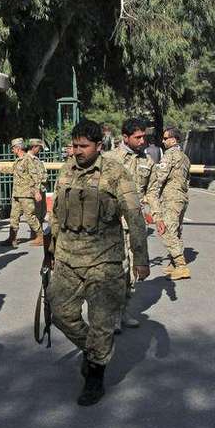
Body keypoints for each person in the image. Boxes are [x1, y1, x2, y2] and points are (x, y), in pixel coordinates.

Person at [46, 119, 149, 406]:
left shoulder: (116, 172)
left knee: (102, 323)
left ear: (98, 146)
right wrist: (51, 251)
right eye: (74, 145)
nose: (77, 151)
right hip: (67, 258)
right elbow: (56, 215)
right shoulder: (67, 169)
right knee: (59, 312)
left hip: (104, 260)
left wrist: (141, 258)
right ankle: (94, 352)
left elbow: (134, 215)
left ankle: (94, 377)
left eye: (83, 146)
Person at [105, 120, 161, 330]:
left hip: (135, 225)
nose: (142, 140)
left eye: (143, 137)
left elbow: (152, 192)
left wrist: (158, 215)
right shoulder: (109, 159)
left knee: (131, 271)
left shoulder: (147, 161)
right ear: (125, 137)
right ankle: (111, 314)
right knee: (117, 269)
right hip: (112, 224)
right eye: (137, 137)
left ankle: (122, 311)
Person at [153, 126, 191, 280]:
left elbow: (160, 177)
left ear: (173, 140)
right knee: (176, 231)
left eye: (165, 138)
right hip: (182, 197)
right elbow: (188, 180)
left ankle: (181, 266)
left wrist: (150, 194)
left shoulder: (169, 155)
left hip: (171, 198)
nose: (162, 141)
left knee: (167, 231)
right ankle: (173, 263)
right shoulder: (184, 157)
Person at [3, 138, 45, 247]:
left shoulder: (28, 159)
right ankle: (12, 238)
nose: (12, 150)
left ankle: (41, 237)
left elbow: (35, 176)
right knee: (14, 216)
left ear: (17, 148)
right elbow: (11, 170)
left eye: (12, 148)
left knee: (30, 216)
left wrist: (37, 192)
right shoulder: (18, 160)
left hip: (26, 194)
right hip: (17, 194)